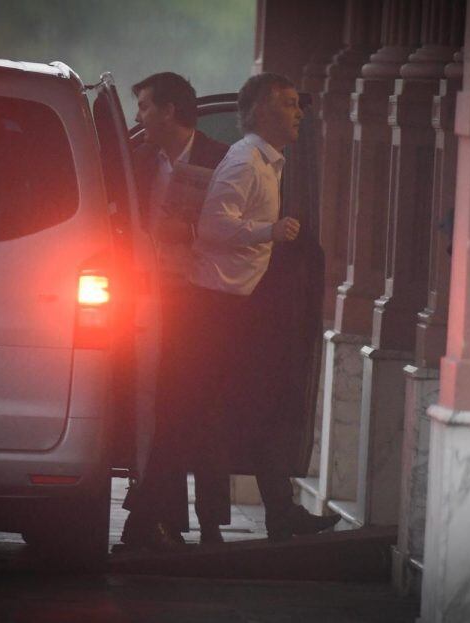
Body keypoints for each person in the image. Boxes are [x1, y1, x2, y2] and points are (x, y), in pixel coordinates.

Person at [180, 72, 340, 541]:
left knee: (264, 408)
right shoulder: (246, 161)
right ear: (261, 112)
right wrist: (267, 232)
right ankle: (211, 522)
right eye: (290, 104)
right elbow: (212, 229)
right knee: (215, 412)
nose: (299, 113)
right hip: (219, 311)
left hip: (244, 308)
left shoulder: (270, 162)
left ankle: (279, 512)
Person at [120, 72, 230, 550]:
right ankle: (159, 516)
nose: (139, 116)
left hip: (204, 302)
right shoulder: (140, 162)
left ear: (169, 110)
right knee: (153, 410)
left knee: (202, 412)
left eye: (144, 106)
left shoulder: (220, 159)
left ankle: (204, 522)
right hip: (149, 301)